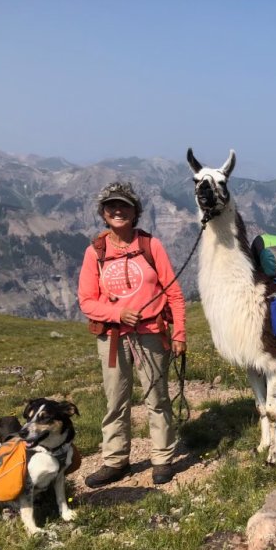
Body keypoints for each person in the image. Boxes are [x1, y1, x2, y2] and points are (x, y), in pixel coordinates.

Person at [78, 182, 186, 487]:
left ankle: (162, 458)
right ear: (103, 213)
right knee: (116, 400)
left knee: (158, 397)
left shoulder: (152, 246)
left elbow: (174, 293)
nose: (117, 211)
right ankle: (115, 461)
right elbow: (86, 300)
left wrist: (179, 333)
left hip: (150, 333)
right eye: (111, 206)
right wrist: (117, 314)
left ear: (135, 211)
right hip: (112, 337)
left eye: (124, 206)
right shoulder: (95, 252)